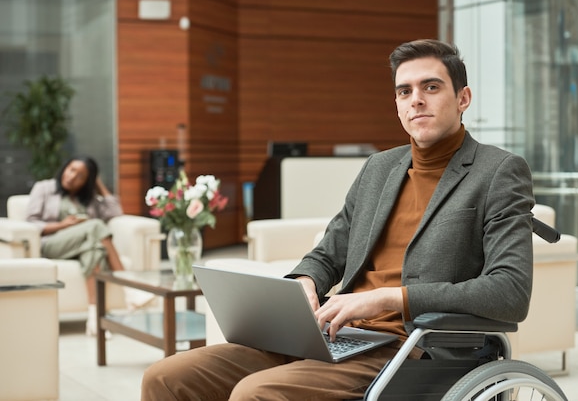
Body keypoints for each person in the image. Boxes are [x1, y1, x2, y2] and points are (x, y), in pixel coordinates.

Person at [141, 39, 535, 400]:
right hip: (335, 335)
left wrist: (387, 298)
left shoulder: (498, 171)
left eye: (431, 87)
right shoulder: (380, 168)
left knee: (255, 394)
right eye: (404, 91)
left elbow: (510, 291)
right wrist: (305, 282)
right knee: (166, 377)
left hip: (412, 347)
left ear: (463, 97)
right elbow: (329, 251)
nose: (416, 100)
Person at [26, 155, 151, 336]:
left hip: (83, 245)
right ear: (64, 168)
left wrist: (98, 184)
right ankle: (130, 288)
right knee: (96, 226)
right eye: (71, 170)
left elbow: (115, 212)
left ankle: (95, 318)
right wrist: (63, 225)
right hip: (52, 244)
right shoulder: (44, 188)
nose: (72, 177)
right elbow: (30, 223)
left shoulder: (88, 197)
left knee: (95, 250)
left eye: (81, 176)